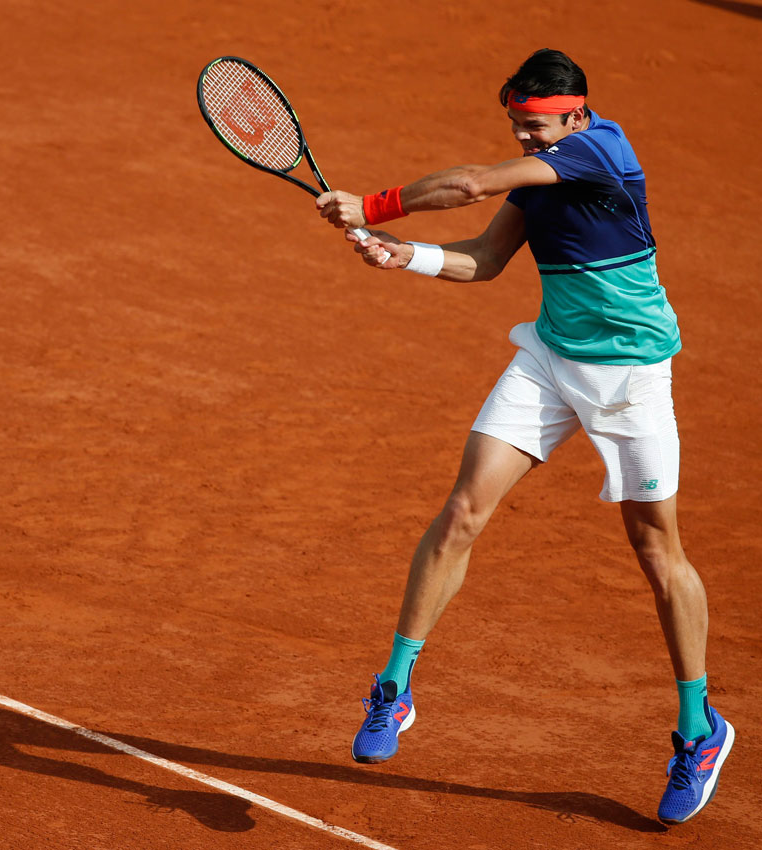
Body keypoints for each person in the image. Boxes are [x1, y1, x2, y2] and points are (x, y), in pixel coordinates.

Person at [313, 48, 732, 825]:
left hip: (633, 379)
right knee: (465, 508)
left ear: (579, 114)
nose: (529, 139)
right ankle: (395, 689)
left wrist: (372, 207)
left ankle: (700, 729)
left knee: (656, 552)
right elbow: (484, 259)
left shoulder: (602, 151)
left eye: (539, 126)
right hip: (550, 362)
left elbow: (470, 183)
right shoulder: (543, 175)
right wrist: (402, 257)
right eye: (518, 125)